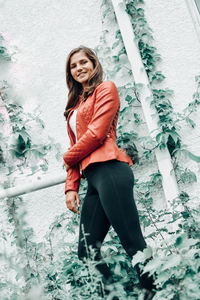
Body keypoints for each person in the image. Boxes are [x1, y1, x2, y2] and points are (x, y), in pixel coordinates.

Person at [63, 46, 155, 300]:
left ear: (94, 64)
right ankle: (114, 296)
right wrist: (71, 187)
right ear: (70, 73)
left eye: (84, 62)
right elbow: (76, 146)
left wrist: (66, 158)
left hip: (111, 170)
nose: (79, 68)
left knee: (131, 240)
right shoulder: (75, 106)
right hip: (93, 178)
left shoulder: (106, 89)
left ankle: (153, 290)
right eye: (73, 66)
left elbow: (96, 134)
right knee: (87, 251)